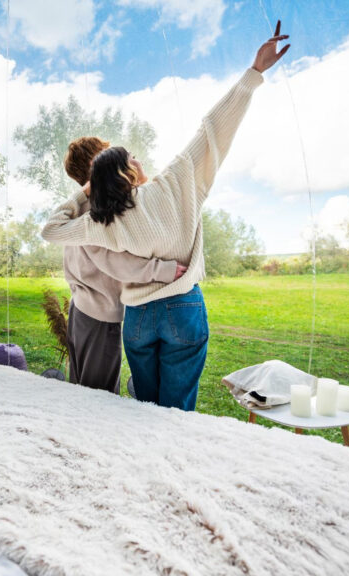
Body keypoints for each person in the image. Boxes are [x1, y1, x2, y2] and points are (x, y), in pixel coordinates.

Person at [41, 23, 290, 411]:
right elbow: (213, 131)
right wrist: (253, 74)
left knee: (146, 410)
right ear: (127, 171)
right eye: (133, 157)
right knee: (177, 414)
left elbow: (52, 229)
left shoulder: (105, 220)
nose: (141, 159)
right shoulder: (178, 182)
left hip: (137, 317)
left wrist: (88, 191)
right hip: (182, 305)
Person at [59, 136, 186, 394]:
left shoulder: (87, 206)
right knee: (98, 395)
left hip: (85, 308)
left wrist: (140, 183)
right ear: (98, 165)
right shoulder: (97, 212)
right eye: (111, 156)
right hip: (98, 314)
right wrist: (163, 270)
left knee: (80, 390)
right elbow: (118, 263)